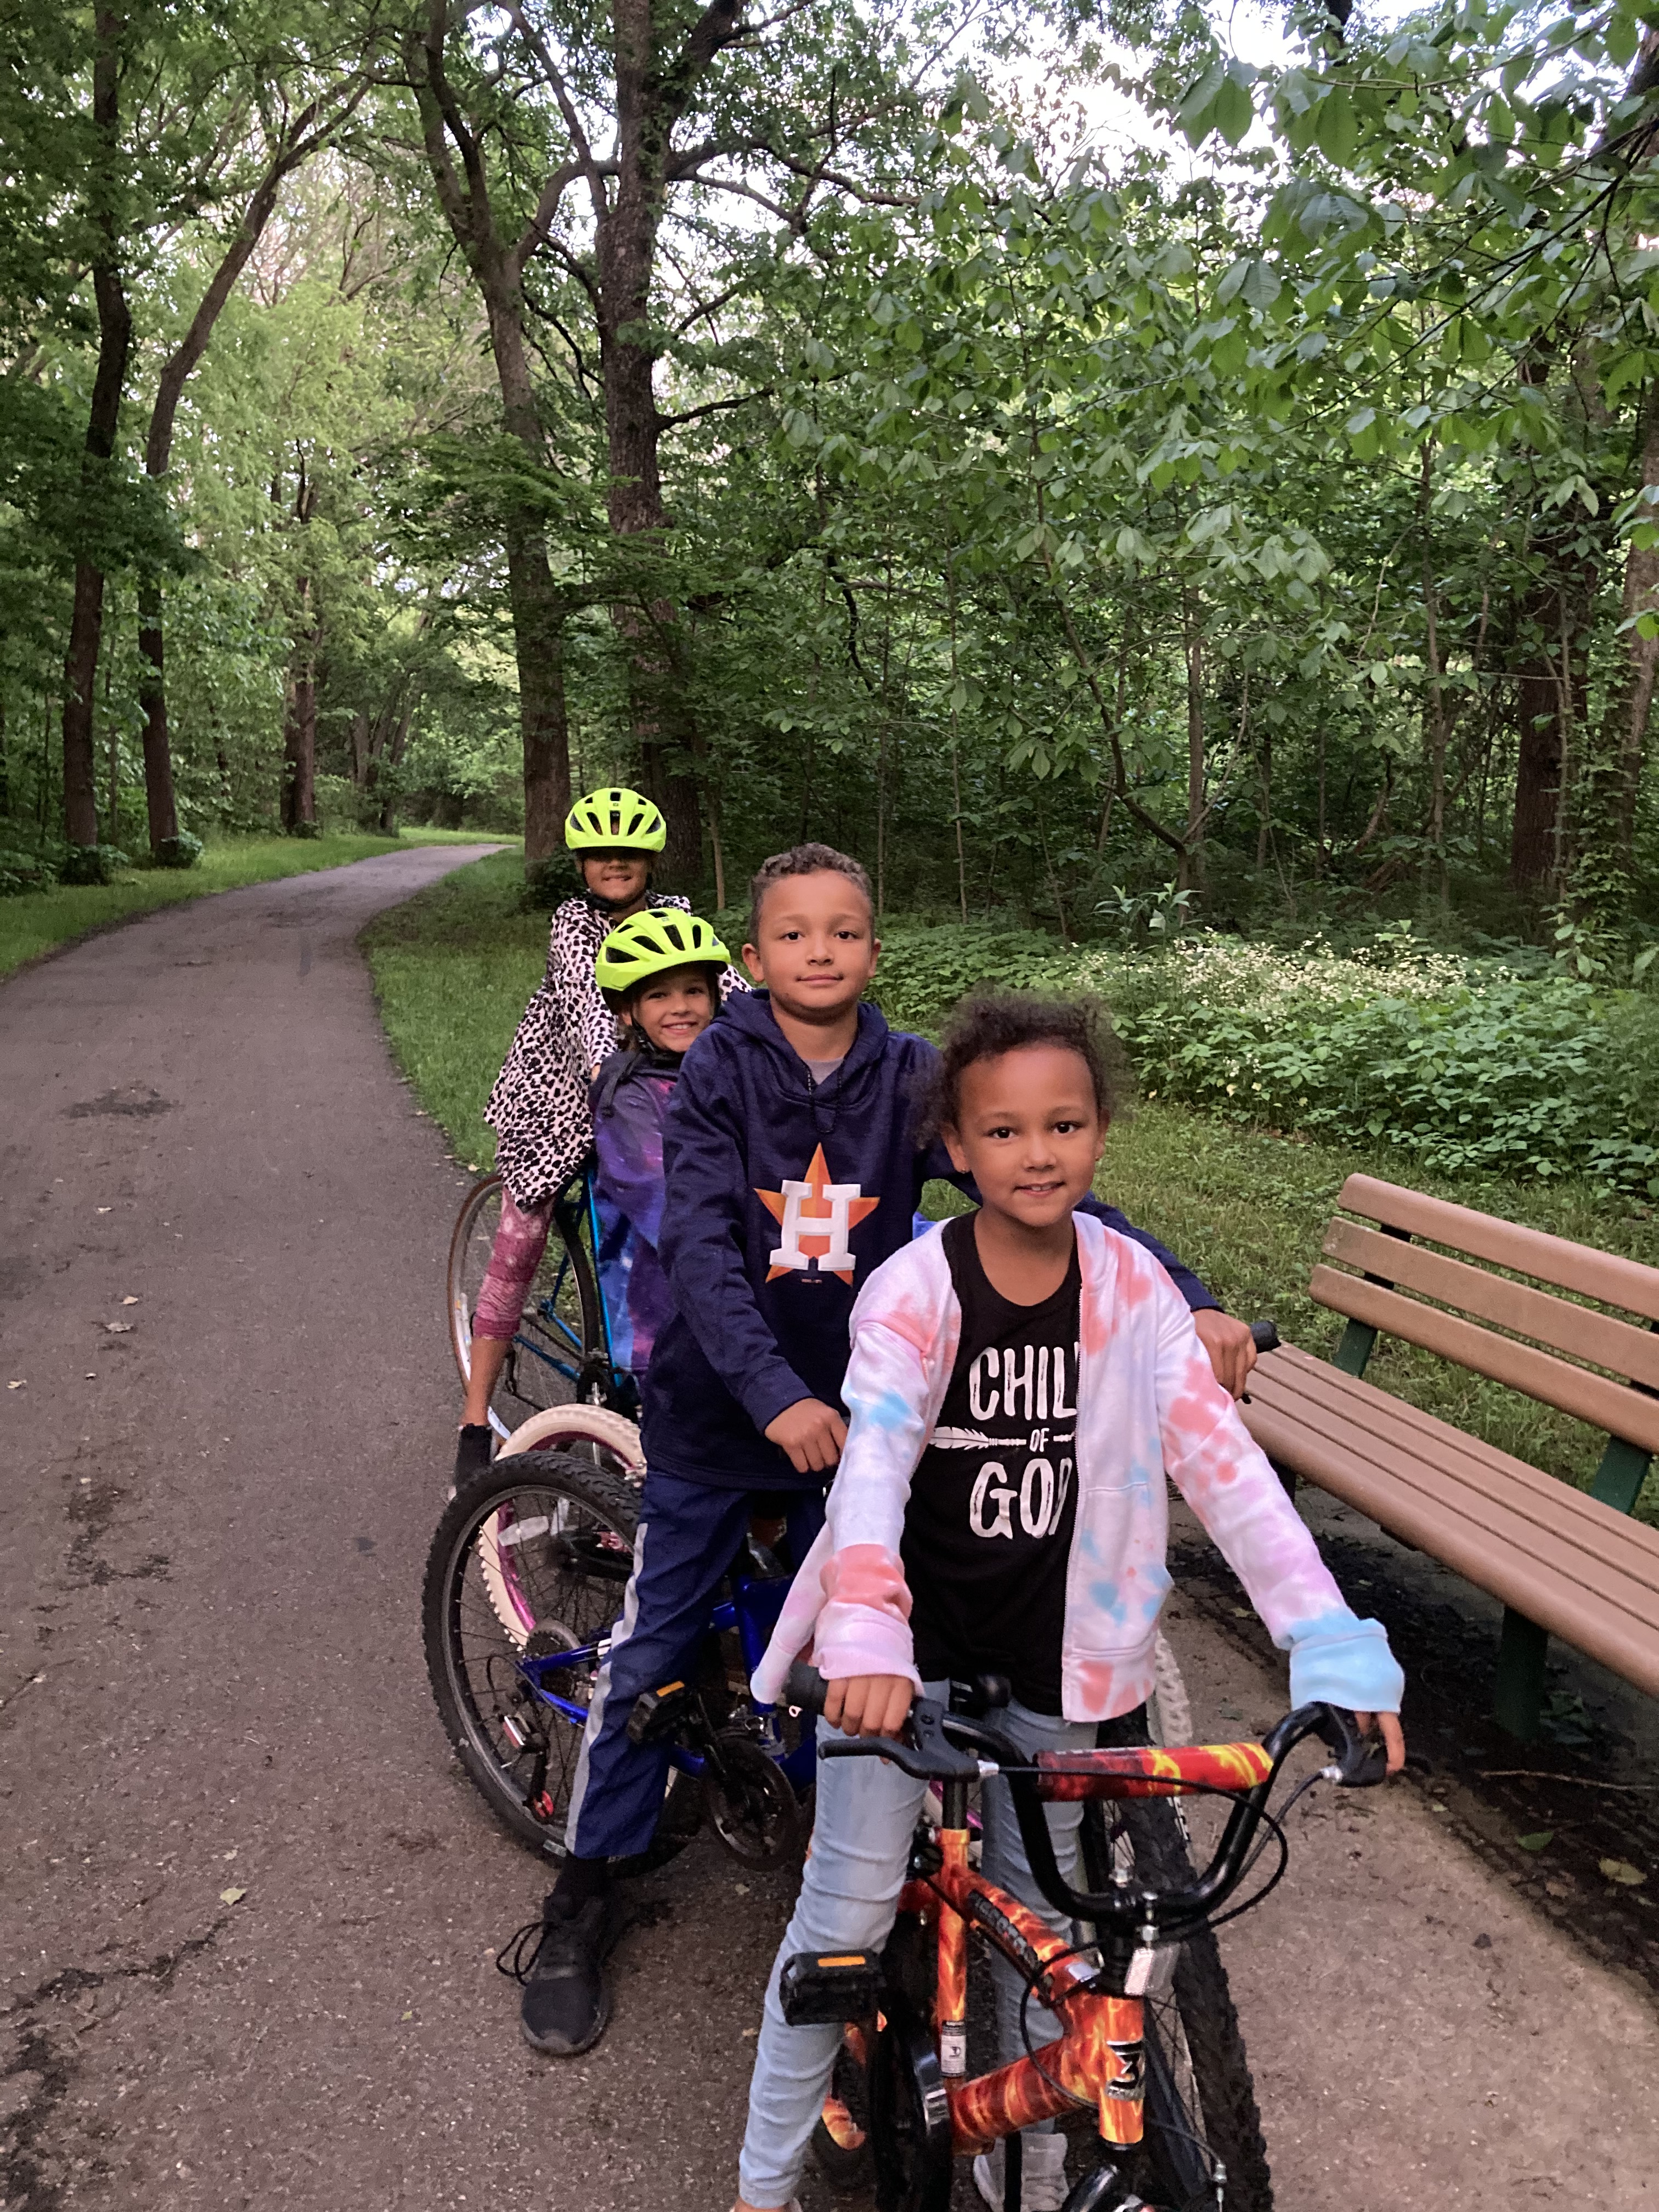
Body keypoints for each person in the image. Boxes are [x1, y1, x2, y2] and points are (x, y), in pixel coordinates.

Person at [507, 843, 1262, 2060]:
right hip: (723, 1415)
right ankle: (581, 1895)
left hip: (864, 1423)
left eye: (844, 931)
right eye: (793, 934)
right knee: (654, 1646)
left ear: (873, 946)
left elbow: (1035, 1187)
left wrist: (1185, 1291)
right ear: (754, 957)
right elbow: (697, 1248)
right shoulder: (717, 1072)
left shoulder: (910, 1075)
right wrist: (771, 1398)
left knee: (869, 1650)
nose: (820, 952)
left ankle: (856, 1877)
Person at [730, 991, 1406, 2212]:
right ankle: (760, 2186)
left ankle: (1032, 2189)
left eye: (1063, 1125)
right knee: (843, 1918)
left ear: (1099, 1132)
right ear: (954, 1145)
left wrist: (1325, 1636)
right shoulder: (913, 1291)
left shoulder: (1134, 1288)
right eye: (1002, 1131)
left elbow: (1225, 1469)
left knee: (1048, 1946)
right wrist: (868, 1627)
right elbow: (872, 1465)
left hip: (1058, 1660)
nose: (1035, 1154)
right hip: (901, 1656)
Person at [455, 785, 743, 1481]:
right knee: (522, 1233)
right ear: (583, 864)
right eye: (601, 854)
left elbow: (727, 988)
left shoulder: (677, 916)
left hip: (655, 1085)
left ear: (651, 861)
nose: (616, 864)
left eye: (630, 853)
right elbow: (589, 1008)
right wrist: (607, 1071)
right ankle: (474, 1415)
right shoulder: (572, 924)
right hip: (564, 1093)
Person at [588, 908, 730, 1380]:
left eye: (694, 991)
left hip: (744, 1284)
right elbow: (663, 1204)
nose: (681, 1007)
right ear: (628, 1011)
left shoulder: (733, 1073)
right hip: (663, 1312)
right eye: (659, 995)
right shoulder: (628, 1099)